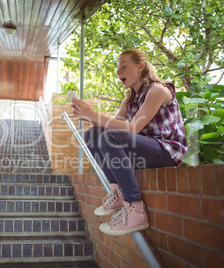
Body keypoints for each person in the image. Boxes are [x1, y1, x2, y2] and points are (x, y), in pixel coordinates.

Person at [71, 49, 188, 236]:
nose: (119, 71)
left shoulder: (158, 89)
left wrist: (94, 115)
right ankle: (118, 193)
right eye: (118, 68)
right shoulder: (130, 98)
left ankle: (135, 208)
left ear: (140, 67)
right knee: (93, 134)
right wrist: (88, 116)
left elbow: (134, 128)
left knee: (109, 138)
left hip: (166, 151)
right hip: (146, 148)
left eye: (124, 66)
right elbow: (109, 126)